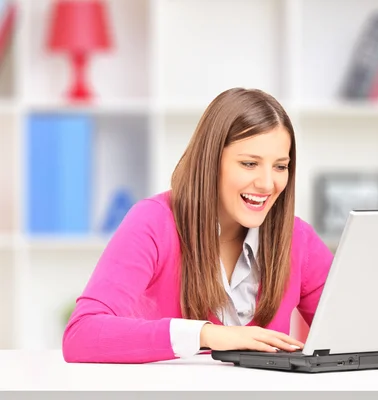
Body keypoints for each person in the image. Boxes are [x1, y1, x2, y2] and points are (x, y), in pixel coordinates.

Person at [62, 88, 334, 364]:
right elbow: (82, 335)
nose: (267, 183)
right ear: (211, 161)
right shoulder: (154, 223)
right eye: (249, 163)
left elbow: (354, 337)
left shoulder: (298, 240)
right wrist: (206, 335)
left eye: (280, 166)